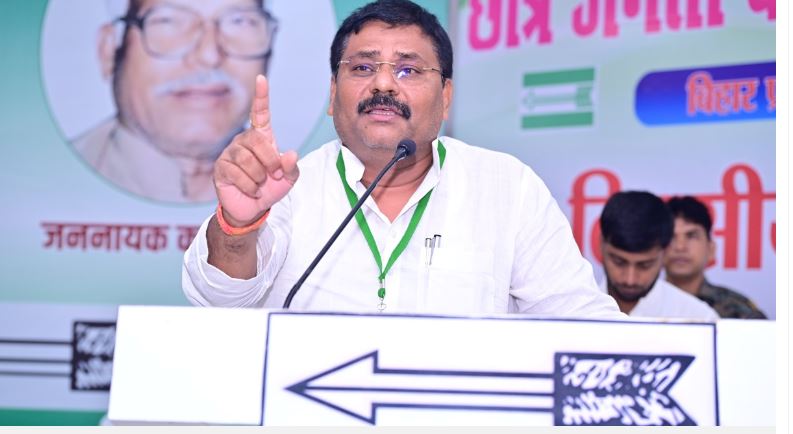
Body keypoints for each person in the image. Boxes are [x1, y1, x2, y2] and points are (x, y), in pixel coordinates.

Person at [182, 0, 622, 318]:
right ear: (332, 95)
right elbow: (220, 301)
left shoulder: (507, 186)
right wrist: (237, 227)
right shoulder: (289, 188)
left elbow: (579, 320)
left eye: (408, 69)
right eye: (362, 68)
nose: (384, 85)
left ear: (445, 97)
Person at [73, 0, 277, 203]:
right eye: (169, 21)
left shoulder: (290, 187)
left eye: (240, 22)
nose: (209, 56)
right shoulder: (64, 181)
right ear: (109, 51)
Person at [598, 191, 719, 320]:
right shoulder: (582, 306)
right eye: (619, 262)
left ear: (664, 252)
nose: (630, 279)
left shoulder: (698, 318)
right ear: (601, 244)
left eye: (645, 265)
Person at [664, 196, 767, 319]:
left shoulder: (739, 310)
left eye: (691, 236)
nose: (680, 247)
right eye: (671, 237)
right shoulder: (645, 304)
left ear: (711, 249)